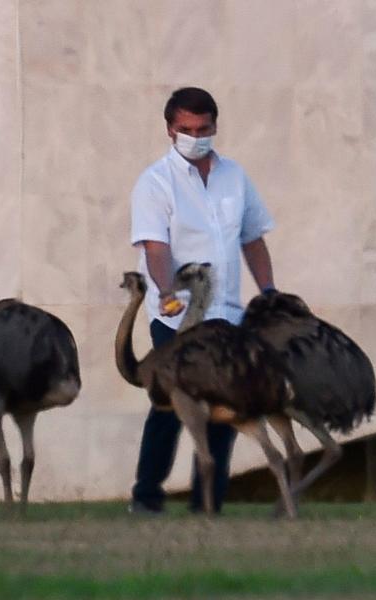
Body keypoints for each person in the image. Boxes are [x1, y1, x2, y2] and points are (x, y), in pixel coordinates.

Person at [128, 87, 276, 514]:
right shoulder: (155, 182)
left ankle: (206, 501)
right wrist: (167, 290)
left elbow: (253, 238)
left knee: (226, 409)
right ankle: (147, 496)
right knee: (170, 404)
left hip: (227, 313)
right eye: (186, 129)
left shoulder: (235, 176)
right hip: (178, 318)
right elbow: (156, 247)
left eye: (203, 128)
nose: (195, 136)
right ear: (170, 130)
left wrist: (268, 293)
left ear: (215, 126)